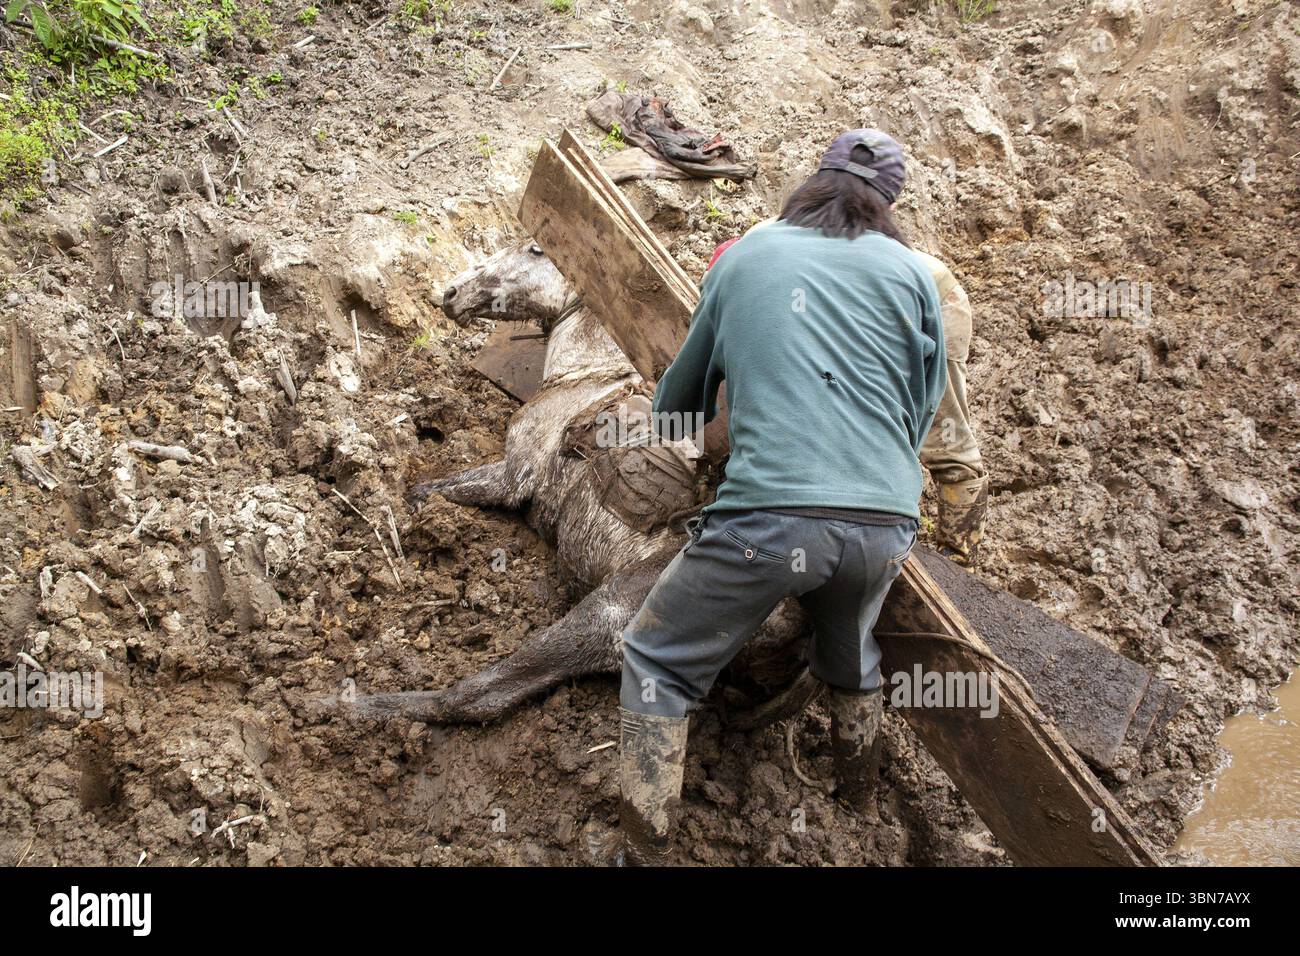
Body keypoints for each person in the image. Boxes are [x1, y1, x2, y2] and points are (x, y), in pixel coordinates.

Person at [616, 129, 948, 865]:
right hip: (887, 522)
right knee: (851, 653)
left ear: (812, 181)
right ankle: (857, 800)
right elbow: (922, 411)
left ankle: (642, 843)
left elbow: (681, 399)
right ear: (888, 201)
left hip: (768, 520)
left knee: (657, 657)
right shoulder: (912, 273)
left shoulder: (749, 256)